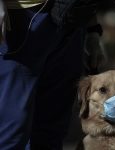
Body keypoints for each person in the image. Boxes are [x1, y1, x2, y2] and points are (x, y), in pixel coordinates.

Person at [0, 0, 104, 149]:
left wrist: (92, 28)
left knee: (51, 133)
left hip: (71, 16)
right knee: (11, 129)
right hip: (23, 15)